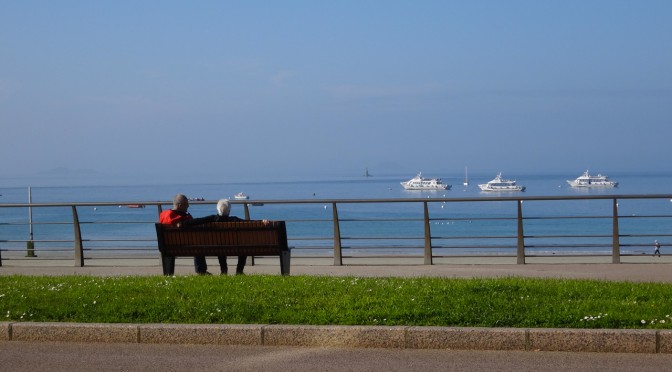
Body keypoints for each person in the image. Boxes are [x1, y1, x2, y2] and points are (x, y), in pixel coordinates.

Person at [181, 198, 270, 275]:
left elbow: (196, 221)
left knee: (220, 245)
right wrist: (261, 221)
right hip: (235, 248)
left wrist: (182, 223)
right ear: (229, 210)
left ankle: (224, 270)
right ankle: (239, 271)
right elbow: (249, 223)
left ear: (217, 209)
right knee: (243, 248)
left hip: (215, 248)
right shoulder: (234, 220)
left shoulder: (212, 219)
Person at [158, 194, 210, 275]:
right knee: (198, 244)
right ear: (180, 205)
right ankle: (201, 271)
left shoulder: (163, 215)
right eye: (186, 204)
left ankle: (168, 273)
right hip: (187, 247)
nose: (188, 206)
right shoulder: (184, 218)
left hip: (167, 247)